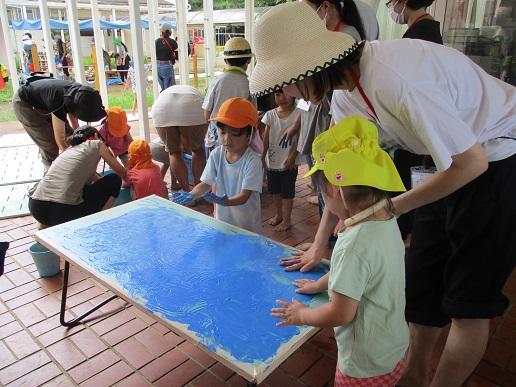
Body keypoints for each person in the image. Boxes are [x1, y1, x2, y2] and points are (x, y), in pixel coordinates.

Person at [249, 3, 516, 386]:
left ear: (308, 68)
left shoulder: (395, 77)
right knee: (422, 283)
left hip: (498, 156)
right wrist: (321, 243)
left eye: (286, 80)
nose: (286, 91)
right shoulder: (343, 96)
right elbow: (337, 175)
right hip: (442, 165)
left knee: (468, 302)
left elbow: (472, 164)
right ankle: (414, 375)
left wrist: (389, 207)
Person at [272, 117, 408, 386]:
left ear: (334, 190)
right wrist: (322, 285)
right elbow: (362, 275)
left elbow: (341, 313)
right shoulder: (386, 218)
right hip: (394, 347)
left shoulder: (353, 243)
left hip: (364, 365)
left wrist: (302, 316)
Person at [385, 0, 443, 241]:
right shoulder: (426, 30)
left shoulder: (420, 37)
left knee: (407, 180)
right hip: (416, 131)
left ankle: (402, 234)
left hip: (418, 130)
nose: (390, 7)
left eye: (390, 2)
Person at [174, 98, 263, 234]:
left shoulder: (253, 161)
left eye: (235, 134)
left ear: (250, 134)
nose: (227, 139)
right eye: (222, 132)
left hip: (247, 226)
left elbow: (244, 196)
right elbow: (205, 184)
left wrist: (225, 202)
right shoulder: (217, 154)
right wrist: (192, 195)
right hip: (223, 222)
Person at [28, 126, 125, 227]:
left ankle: (45, 225)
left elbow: (98, 180)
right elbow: (121, 172)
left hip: (36, 207)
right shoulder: (97, 144)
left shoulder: (69, 151)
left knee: (77, 190)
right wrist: (130, 179)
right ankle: (99, 223)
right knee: (114, 180)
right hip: (60, 211)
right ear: (96, 136)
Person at [13, 77, 106, 169]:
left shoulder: (82, 95)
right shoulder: (59, 101)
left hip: (47, 101)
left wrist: (77, 133)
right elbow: (60, 141)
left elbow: (73, 116)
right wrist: (75, 164)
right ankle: (51, 174)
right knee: (50, 144)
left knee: (71, 137)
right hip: (25, 104)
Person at [152, 85, 208, 192]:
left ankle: (187, 192)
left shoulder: (170, 92)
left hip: (161, 107)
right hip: (192, 105)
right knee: (198, 150)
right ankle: (198, 191)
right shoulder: (198, 95)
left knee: (174, 153)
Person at [202, 37, 254, 151]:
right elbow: (252, 114)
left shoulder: (217, 81)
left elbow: (206, 113)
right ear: (249, 60)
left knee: (216, 165)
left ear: (225, 61)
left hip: (217, 132)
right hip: (238, 134)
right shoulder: (249, 85)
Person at [262, 90, 301, 231]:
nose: (282, 98)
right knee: (274, 191)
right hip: (272, 162)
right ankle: (278, 215)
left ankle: (287, 220)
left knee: (287, 193)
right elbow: (265, 138)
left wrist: (292, 156)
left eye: (286, 93)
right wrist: (263, 155)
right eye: (278, 94)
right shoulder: (270, 115)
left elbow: (300, 138)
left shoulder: (299, 113)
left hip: (289, 163)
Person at [306, 0, 379, 40]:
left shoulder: (346, 36)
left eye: (308, 11)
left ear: (326, 6)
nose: (306, 16)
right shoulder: (335, 33)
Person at [155, 22, 178, 91]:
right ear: (169, 32)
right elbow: (177, 55)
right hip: (167, 66)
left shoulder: (156, 42)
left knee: (162, 88)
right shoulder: (172, 42)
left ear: (161, 32)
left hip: (158, 66)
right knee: (169, 89)